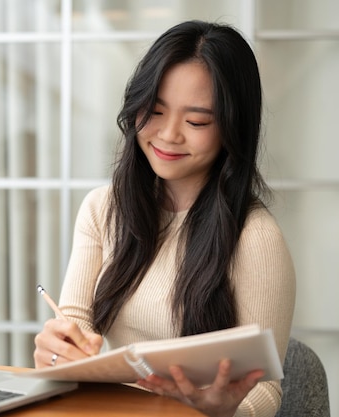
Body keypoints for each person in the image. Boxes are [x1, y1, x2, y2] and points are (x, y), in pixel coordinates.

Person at [33, 20, 296, 417]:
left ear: (232, 128)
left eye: (197, 122)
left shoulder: (255, 237)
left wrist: (223, 410)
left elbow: (265, 391)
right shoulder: (102, 210)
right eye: (154, 111)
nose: (168, 135)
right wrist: (58, 354)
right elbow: (75, 331)